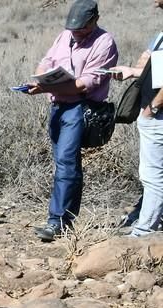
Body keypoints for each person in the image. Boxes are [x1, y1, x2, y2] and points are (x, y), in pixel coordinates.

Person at [26, 0, 118, 241]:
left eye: (82, 29)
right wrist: (40, 80)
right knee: (65, 163)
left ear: (94, 20)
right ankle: (64, 219)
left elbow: (85, 84)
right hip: (57, 107)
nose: (76, 33)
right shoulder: (64, 35)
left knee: (67, 162)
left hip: (80, 108)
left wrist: (46, 86)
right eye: (73, 29)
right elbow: (47, 61)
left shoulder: (104, 42)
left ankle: (58, 221)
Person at [111, 7, 163, 237]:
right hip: (155, 114)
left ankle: (144, 231)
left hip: (157, 115)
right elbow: (156, 70)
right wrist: (132, 71)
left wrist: (153, 108)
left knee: (152, 177)